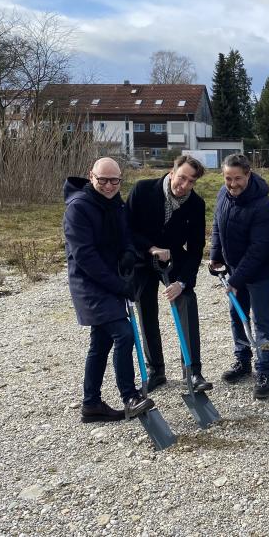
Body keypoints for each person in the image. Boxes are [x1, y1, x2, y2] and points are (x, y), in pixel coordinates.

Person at [63, 157, 154, 423]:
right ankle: (130, 396)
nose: (109, 185)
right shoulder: (78, 208)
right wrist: (120, 286)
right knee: (123, 334)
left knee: (100, 342)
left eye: (115, 180)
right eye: (103, 180)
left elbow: (124, 233)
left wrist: (127, 252)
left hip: (111, 281)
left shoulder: (116, 203)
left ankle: (91, 404)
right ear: (91, 176)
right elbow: (85, 257)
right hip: (89, 285)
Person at [126, 155, 210, 393]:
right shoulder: (142, 190)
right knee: (146, 311)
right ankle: (156, 370)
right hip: (143, 260)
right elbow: (127, 228)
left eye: (190, 182)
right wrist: (150, 248)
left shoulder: (196, 204)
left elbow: (195, 250)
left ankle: (192, 371)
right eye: (181, 178)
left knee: (186, 302)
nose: (183, 185)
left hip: (174, 261)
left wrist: (182, 282)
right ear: (172, 173)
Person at [210, 154, 269, 399]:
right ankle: (243, 360)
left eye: (237, 178)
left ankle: (264, 369)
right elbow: (218, 225)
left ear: (248, 174)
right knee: (237, 315)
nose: (232, 184)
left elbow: (258, 250)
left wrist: (235, 280)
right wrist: (215, 255)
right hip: (234, 268)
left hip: (262, 271)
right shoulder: (223, 193)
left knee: (261, 320)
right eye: (228, 178)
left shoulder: (263, 205)